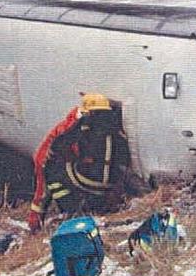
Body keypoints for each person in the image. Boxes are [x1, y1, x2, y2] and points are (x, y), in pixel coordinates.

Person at [28, 93, 131, 232]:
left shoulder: (83, 124)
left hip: (88, 180)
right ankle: (94, 205)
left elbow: (55, 148)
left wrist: (36, 215)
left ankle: (71, 210)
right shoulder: (116, 125)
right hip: (110, 185)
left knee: (53, 173)